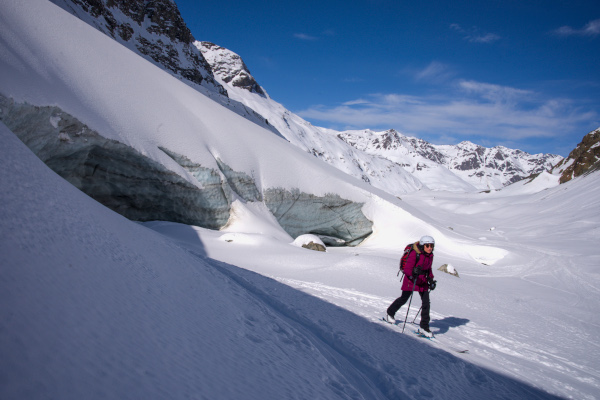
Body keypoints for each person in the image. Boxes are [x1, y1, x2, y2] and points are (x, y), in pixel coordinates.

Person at [386, 235, 436, 337]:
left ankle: (424, 327)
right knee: (404, 299)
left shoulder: (430, 255)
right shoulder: (414, 253)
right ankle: (390, 312)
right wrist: (414, 272)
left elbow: (429, 269)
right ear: (422, 245)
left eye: (431, 246)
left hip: (423, 281)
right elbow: (408, 269)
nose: (430, 248)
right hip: (411, 280)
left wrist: (431, 279)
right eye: (427, 245)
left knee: (426, 303)